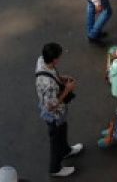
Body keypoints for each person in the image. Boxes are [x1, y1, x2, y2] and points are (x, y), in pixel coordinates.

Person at [35, 42, 83, 177]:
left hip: (59, 115)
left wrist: (61, 78)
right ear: (55, 59)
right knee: (55, 141)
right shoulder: (49, 85)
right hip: (54, 115)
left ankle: (66, 150)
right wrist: (67, 90)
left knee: (62, 130)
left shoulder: (41, 61)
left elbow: (51, 73)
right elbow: (51, 105)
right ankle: (55, 169)